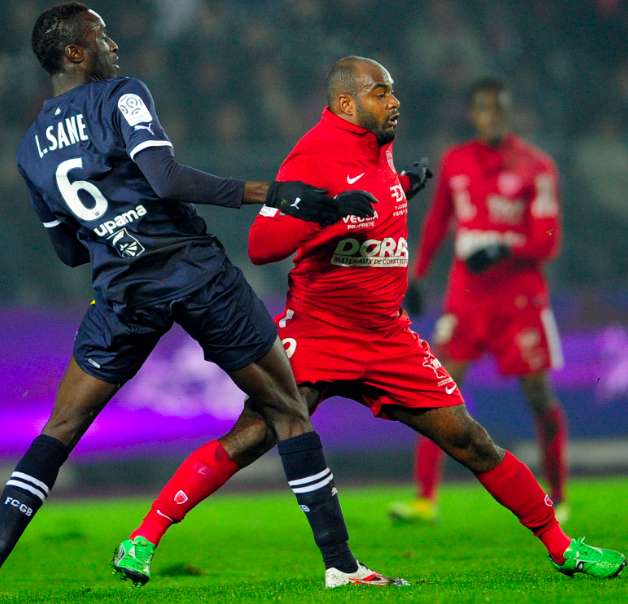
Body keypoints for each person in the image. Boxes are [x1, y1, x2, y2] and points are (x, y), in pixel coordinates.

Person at [114, 56, 625, 586]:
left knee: (469, 439)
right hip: (318, 332)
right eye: (381, 93)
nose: (394, 101)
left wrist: (401, 184)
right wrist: (328, 211)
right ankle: (142, 539)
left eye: (393, 91)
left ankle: (563, 548)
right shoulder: (312, 156)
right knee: (249, 438)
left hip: (387, 336)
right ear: (346, 103)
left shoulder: (377, 145)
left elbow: (368, 207)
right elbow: (262, 246)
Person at [0, 4, 396, 589]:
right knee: (286, 409)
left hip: (121, 291)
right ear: (75, 53)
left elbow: (68, 253)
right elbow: (164, 177)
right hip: (194, 271)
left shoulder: (30, 148)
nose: (113, 44)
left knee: (60, 428)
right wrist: (273, 192)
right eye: (100, 35)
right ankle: (342, 567)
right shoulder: (120, 95)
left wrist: (113, 224)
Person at [390, 78, 569, 525]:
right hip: (468, 296)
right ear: (473, 114)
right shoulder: (458, 161)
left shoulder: (536, 166)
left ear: (509, 113)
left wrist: (508, 250)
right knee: (439, 391)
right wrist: (419, 274)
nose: (492, 116)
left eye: (499, 109)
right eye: (484, 109)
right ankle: (425, 499)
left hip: (519, 296)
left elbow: (548, 238)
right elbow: (437, 222)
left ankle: (559, 494)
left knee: (537, 394)